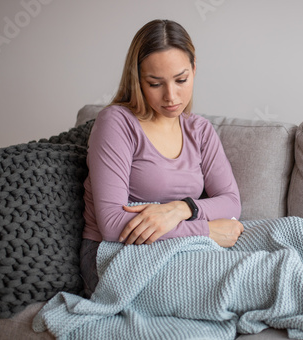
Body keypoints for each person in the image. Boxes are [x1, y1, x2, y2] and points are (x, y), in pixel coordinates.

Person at [80, 19, 244, 297]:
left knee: (289, 237)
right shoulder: (117, 122)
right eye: (155, 83)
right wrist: (205, 230)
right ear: (137, 80)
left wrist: (181, 209)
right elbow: (111, 223)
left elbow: (231, 203)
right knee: (249, 280)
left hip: (178, 247)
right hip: (117, 255)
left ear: (194, 70)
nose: (171, 96)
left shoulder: (200, 130)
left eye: (181, 80)